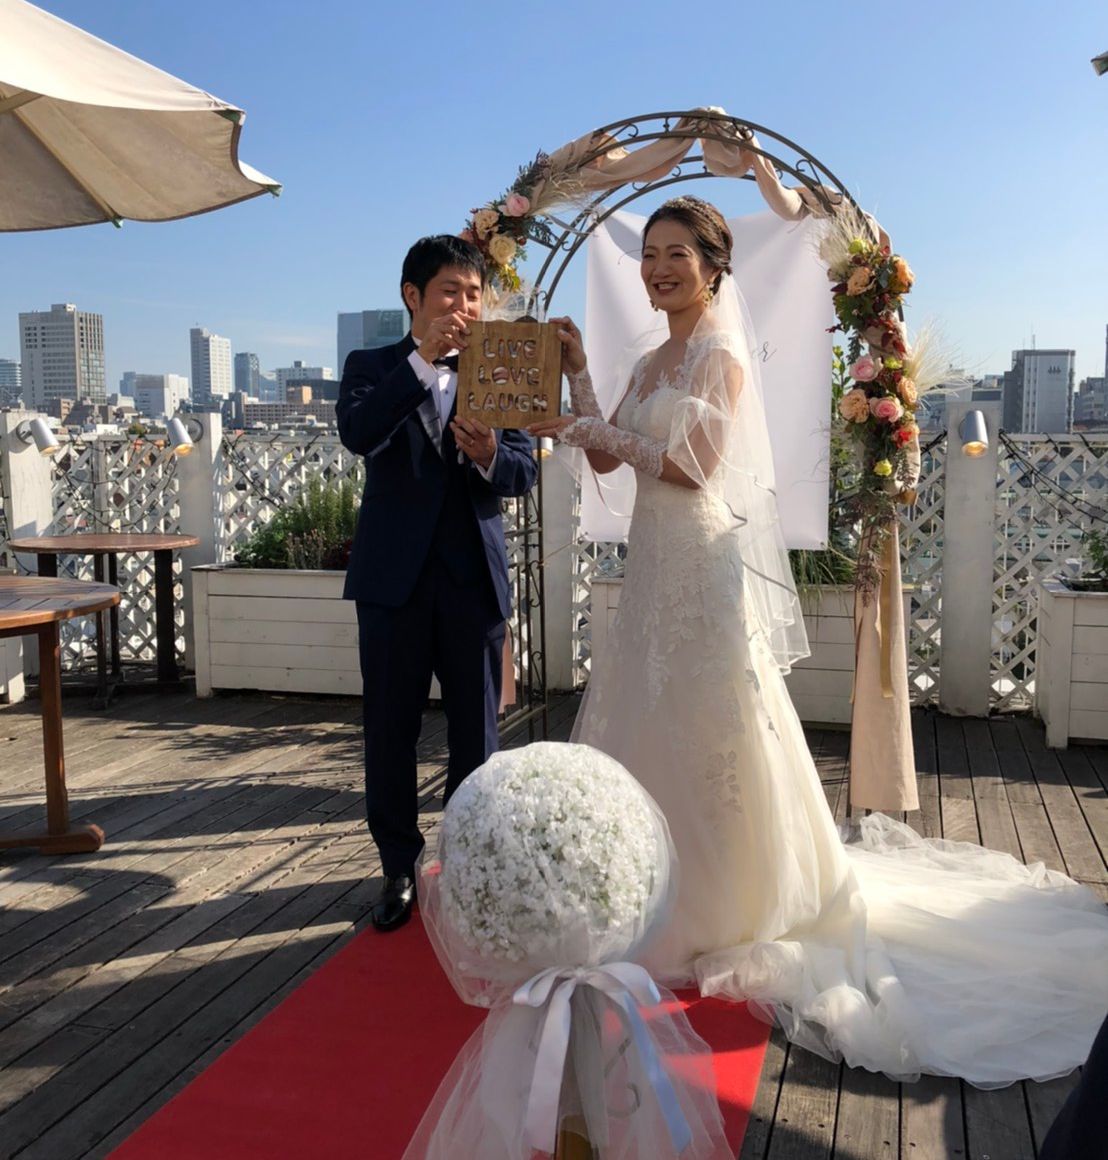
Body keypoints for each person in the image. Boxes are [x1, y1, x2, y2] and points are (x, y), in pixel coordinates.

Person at [529, 195, 1108, 1085]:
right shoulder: (648, 363)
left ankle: (727, 903)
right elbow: (608, 457)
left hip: (703, 568)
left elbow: (695, 468)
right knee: (645, 715)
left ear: (713, 268)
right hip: (652, 570)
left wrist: (583, 428)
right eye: (649, 254)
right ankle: (640, 884)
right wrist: (577, 380)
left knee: (717, 728)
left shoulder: (722, 356)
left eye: (677, 253)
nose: (658, 268)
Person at [338, 234, 538, 932]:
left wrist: (489, 455)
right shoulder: (370, 366)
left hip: (471, 580)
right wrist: (422, 361)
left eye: (474, 294)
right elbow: (359, 433)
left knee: (477, 736)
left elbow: (523, 471)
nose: (465, 306)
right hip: (391, 582)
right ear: (413, 296)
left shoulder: (503, 367)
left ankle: (467, 863)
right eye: (451, 291)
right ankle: (398, 865)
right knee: (389, 730)